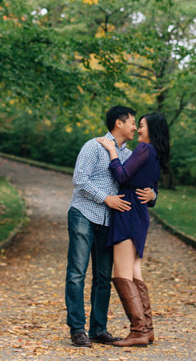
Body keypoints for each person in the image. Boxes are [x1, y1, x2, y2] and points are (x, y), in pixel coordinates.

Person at [65, 105, 157, 348]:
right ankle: (77, 329)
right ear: (119, 123)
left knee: (103, 278)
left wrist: (153, 194)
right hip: (84, 214)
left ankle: (98, 329)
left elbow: (136, 180)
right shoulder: (93, 146)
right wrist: (105, 198)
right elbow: (79, 179)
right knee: (77, 273)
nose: (135, 127)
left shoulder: (128, 155)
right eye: (132, 122)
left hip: (109, 221)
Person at [97, 112, 171, 347]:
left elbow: (121, 175)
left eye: (141, 126)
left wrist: (112, 151)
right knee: (135, 274)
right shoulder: (156, 153)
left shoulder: (145, 149)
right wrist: (153, 196)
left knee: (121, 274)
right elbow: (153, 189)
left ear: (152, 129)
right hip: (139, 213)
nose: (138, 130)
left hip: (128, 211)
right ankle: (147, 330)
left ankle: (138, 330)